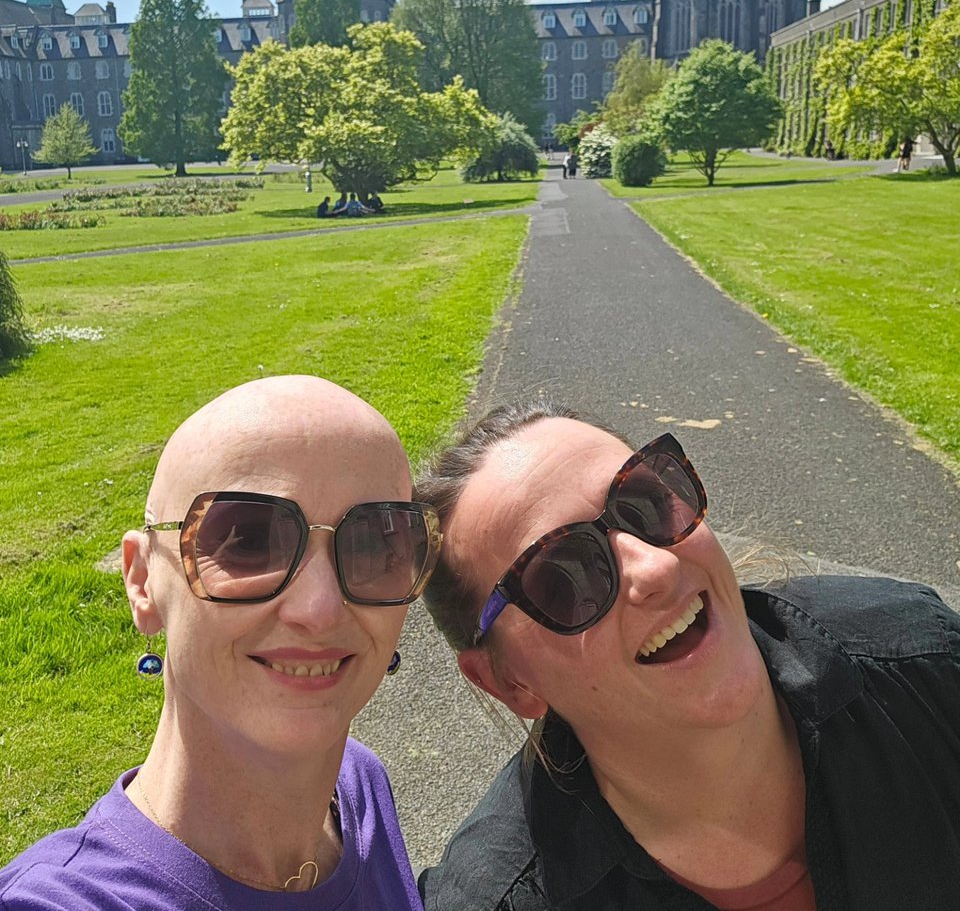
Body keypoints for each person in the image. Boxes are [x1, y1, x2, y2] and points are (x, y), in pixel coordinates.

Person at [415, 399, 960, 910]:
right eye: (564, 576)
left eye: (647, 503)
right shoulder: (496, 899)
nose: (658, 568)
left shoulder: (927, 664)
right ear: (508, 682)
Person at [0, 376, 441, 909]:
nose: (320, 609)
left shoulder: (359, 788)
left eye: (375, 542)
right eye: (249, 542)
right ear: (142, 581)